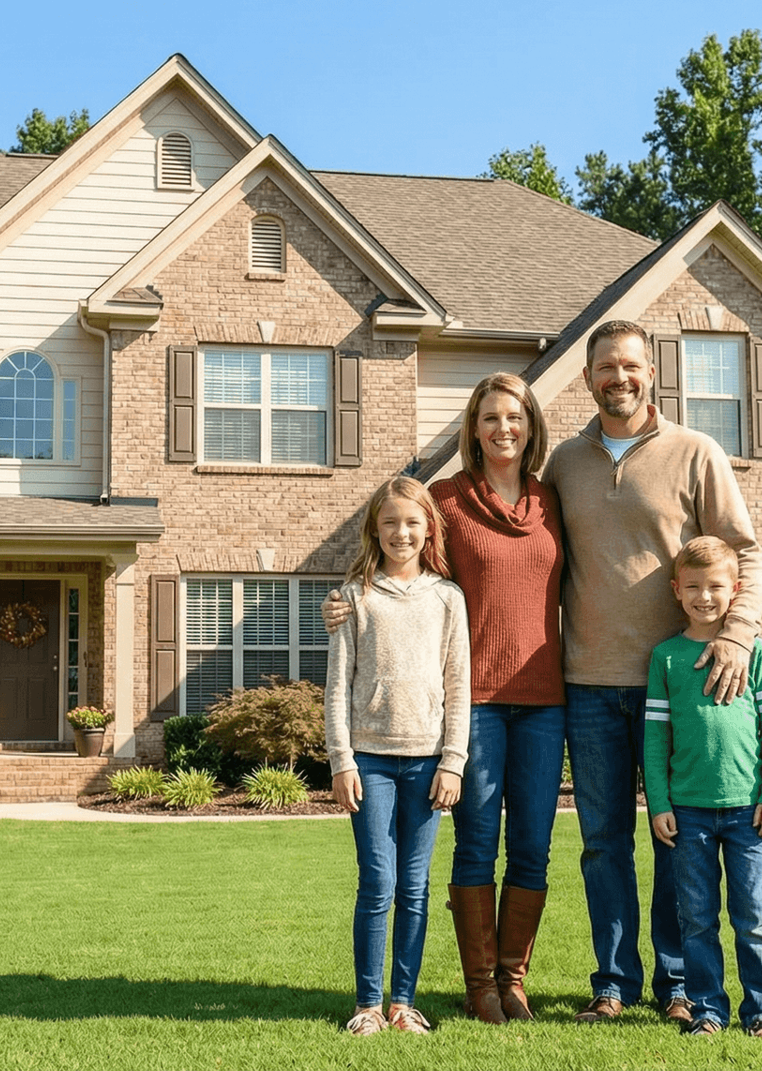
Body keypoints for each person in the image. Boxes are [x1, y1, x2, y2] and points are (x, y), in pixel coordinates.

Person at [324, 372, 566, 1024]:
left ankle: (514, 979)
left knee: (535, 844)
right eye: (489, 417)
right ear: (473, 427)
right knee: (477, 841)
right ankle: (478, 983)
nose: (502, 428)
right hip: (473, 704)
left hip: (545, 698)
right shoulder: (445, 500)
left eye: (514, 416)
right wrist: (348, 599)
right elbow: (406, 564)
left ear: (531, 424)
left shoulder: (552, 499)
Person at [544, 319, 762, 1026]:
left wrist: (735, 634)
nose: (620, 377)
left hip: (686, 683)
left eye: (631, 364)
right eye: (606, 366)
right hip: (588, 682)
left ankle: (678, 983)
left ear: (650, 373)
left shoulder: (696, 452)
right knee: (604, 841)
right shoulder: (563, 465)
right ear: (588, 377)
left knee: (679, 839)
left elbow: (744, 552)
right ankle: (611, 982)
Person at [324, 476, 471, 1036]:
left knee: (415, 886)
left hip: (429, 762)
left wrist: (454, 759)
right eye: (390, 523)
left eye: (412, 522)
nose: (401, 532)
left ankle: (403, 1003)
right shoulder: (353, 598)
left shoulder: (446, 597)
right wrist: (341, 760)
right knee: (377, 882)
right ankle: (366, 1004)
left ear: (428, 527)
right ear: (374, 529)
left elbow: (459, 683)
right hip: (370, 763)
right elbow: (337, 686)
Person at [644, 536, 762, 1039]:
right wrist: (658, 803)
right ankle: (707, 1011)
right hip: (688, 814)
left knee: (754, 918)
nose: (705, 597)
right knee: (697, 919)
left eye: (716, 587)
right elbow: (655, 738)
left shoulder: (757, 653)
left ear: (736, 590)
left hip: (748, 811)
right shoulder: (665, 658)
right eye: (694, 587)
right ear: (676, 590)